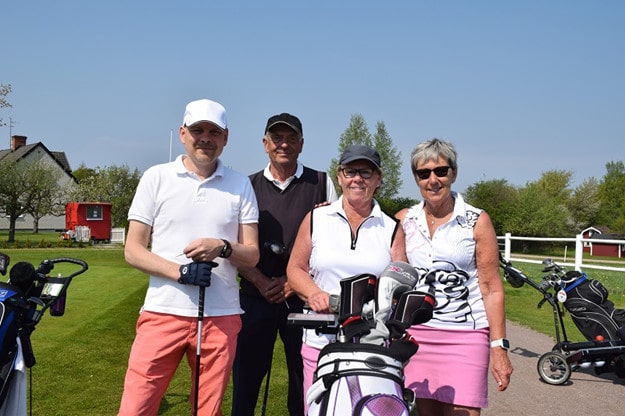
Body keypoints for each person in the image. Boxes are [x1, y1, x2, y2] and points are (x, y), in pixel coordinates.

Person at [118, 98, 260, 416]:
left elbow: (251, 254)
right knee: (136, 407)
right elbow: (133, 249)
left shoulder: (241, 185)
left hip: (220, 316)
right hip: (162, 312)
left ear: (225, 137)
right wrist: (180, 272)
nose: (205, 138)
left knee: (207, 411)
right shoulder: (156, 177)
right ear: (183, 133)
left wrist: (222, 246)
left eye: (214, 131)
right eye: (198, 130)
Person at [395, 138, 513, 416]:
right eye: (424, 174)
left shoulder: (476, 220)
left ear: (454, 173)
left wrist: (499, 347)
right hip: (417, 335)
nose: (433, 180)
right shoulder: (404, 220)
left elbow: (491, 288)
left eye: (441, 171)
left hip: (466, 336)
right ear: (416, 179)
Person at [231, 113, 337, 416]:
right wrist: (262, 282)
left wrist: (294, 282)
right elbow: (235, 246)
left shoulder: (322, 182)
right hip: (255, 295)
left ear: (301, 144)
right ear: (265, 144)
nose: (284, 144)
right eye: (277, 138)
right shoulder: (246, 185)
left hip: (302, 298)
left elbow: (330, 241)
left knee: (304, 380)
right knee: (246, 379)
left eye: (291, 138)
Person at [286, 144, 407, 411]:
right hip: (321, 339)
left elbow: (400, 281)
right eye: (350, 171)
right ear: (339, 176)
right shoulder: (317, 217)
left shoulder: (391, 228)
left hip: (371, 344)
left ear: (378, 179)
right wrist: (315, 294)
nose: (357, 179)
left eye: (365, 172)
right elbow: (295, 269)